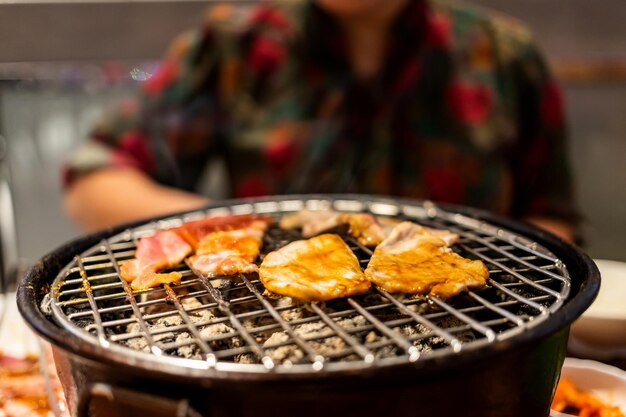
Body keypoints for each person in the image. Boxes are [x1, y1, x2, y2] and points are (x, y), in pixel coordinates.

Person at [63, 0, 579, 242]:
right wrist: (232, 227)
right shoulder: (236, 47)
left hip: (468, 347)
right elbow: (94, 179)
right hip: (272, 342)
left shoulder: (503, 57)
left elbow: (554, 219)